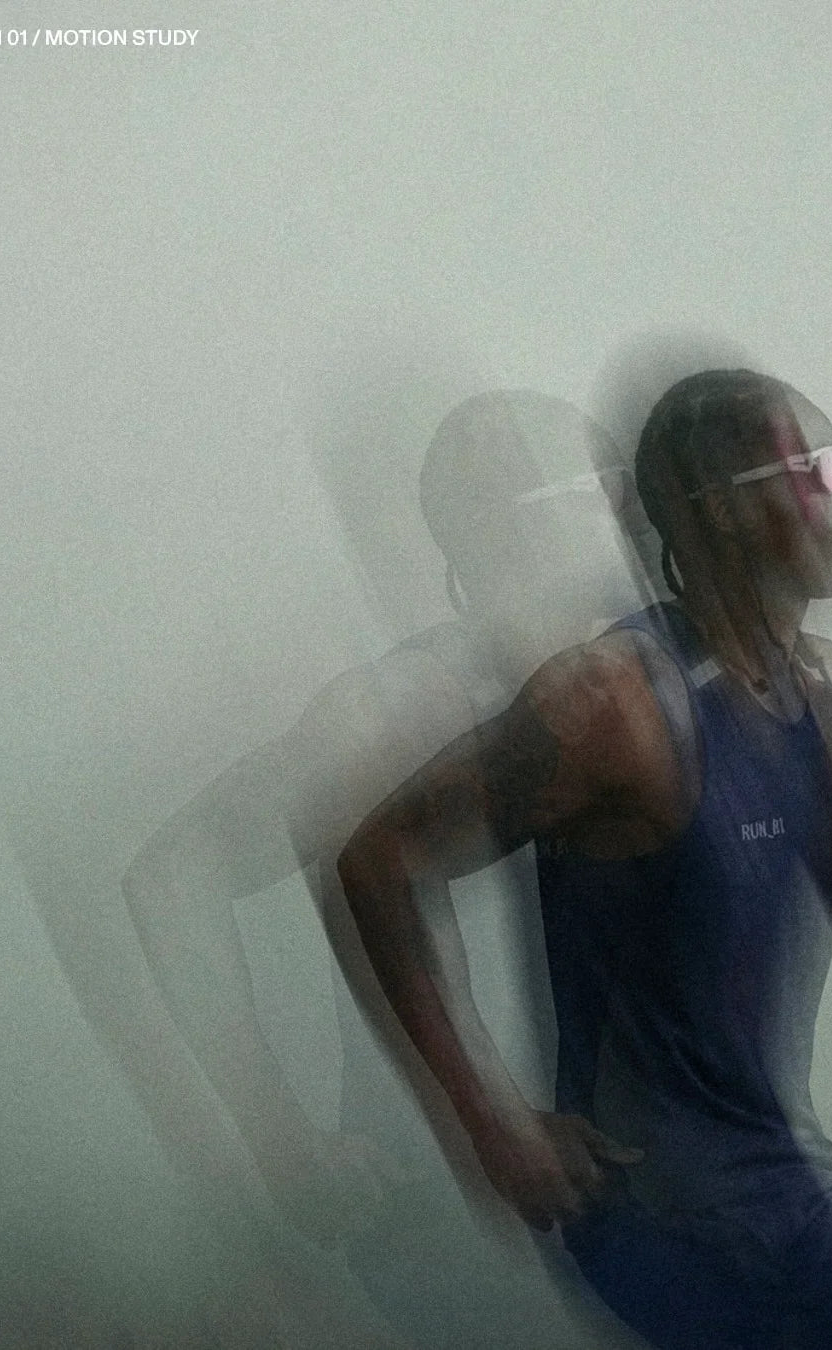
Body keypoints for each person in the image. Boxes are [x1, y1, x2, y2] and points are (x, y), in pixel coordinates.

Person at [337, 368, 832, 1348]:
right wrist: (486, 1124)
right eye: (820, 468)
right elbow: (378, 857)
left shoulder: (820, 696)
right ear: (724, 515)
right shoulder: (616, 705)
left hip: (773, 1191)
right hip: (670, 1220)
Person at [120, 390, 653, 1348]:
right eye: (581, 493)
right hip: (466, 1234)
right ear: (485, 534)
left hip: (646, 1202)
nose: (619, 517)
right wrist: (282, 1146)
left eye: (614, 488)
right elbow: (172, 879)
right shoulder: (409, 705)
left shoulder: (666, 685)